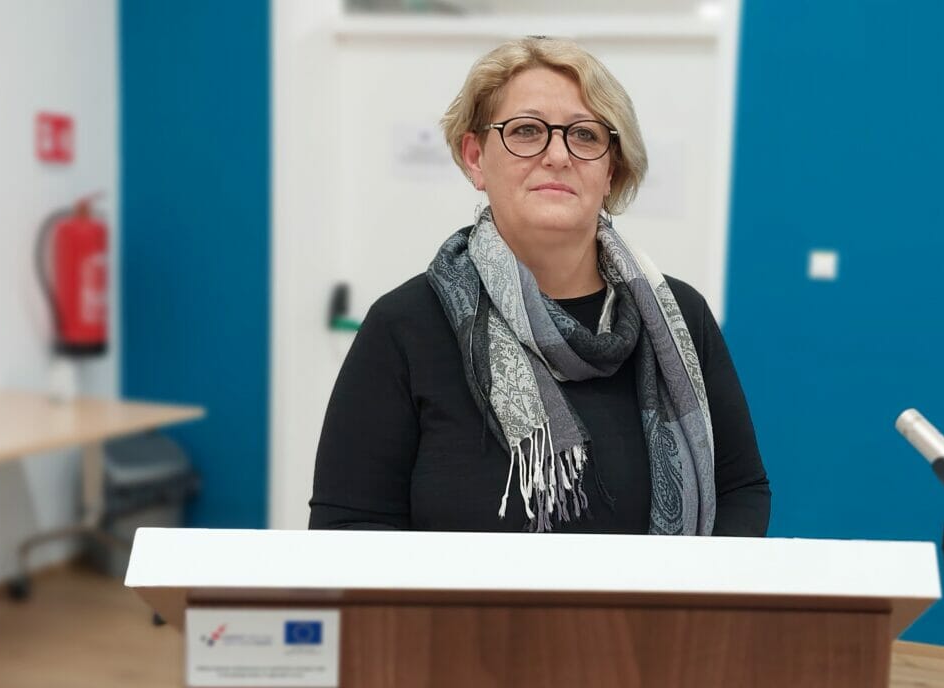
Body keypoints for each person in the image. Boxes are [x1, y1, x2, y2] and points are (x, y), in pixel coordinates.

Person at [309, 37, 769, 535]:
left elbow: (740, 489)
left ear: (611, 170)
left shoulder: (681, 316)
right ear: (475, 157)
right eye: (526, 131)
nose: (557, 155)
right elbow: (349, 526)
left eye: (585, 135)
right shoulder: (404, 327)